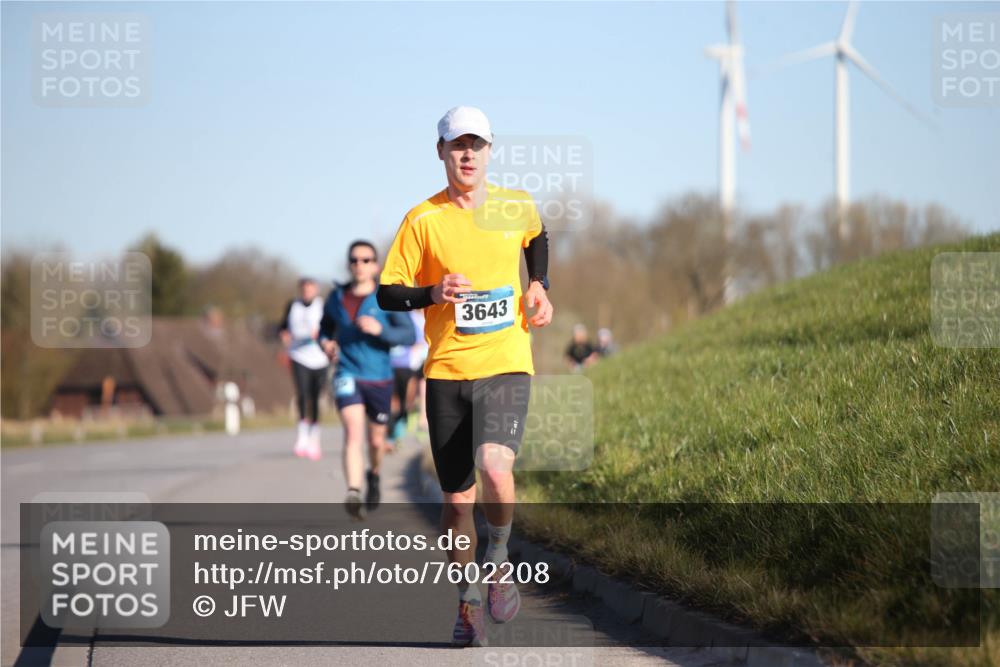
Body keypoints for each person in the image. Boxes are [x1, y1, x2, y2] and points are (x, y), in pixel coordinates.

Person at [377, 106, 553, 647]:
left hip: (505, 362)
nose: (468, 154)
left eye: (477, 144)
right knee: (457, 502)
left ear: (490, 151)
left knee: (496, 469)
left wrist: (540, 284)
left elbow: (537, 237)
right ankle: (467, 602)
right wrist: (430, 294)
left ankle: (498, 557)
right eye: (458, 145)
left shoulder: (513, 204)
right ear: (441, 152)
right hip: (448, 372)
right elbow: (387, 292)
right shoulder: (422, 220)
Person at [319, 241, 416, 518]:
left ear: (375, 265)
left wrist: (380, 329)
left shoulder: (387, 297)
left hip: (380, 378)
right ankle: (353, 491)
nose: (359, 265)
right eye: (354, 260)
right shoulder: (336, 297)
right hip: (347, 373)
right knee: (352, 431)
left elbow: (407, 335)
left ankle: (373, 473)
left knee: (375, 442)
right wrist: (326, 343)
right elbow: (325, 328)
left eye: (366, 259)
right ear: (349, 264)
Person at [279, 278, 330, 461]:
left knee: (316, 397)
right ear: (301, 290)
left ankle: (314, 437)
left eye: (311, 289)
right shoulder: (292, 305)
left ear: (316, 290)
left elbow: (332, 327)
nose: (307, 292)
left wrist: (325, 336)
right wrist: (284, 334)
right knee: (302, 393)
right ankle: (302, 434)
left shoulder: (322, 305)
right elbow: (282, 326)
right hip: (298, 356)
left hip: (320, 358)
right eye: (305, 289)